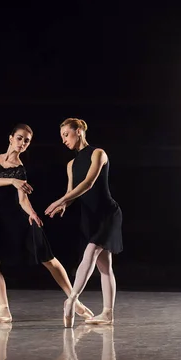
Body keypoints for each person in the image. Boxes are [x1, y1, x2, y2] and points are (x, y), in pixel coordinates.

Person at [0, 124, 93, 323]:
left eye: (26, 141)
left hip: (18, 218)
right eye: (19, 138)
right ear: (10, 138)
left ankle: (74, 300)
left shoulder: (20, 170)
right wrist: (12, 182)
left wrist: (33, 213)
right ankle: (4, 309)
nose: (22, 143)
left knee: (48, 259)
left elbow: (23, 200)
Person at [45, 118, 123, 328]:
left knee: (90, 253)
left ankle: (71, 300)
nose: (63, 140)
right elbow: (72, 193)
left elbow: (88, 183)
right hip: (90, 217)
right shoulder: (71, 164)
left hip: (107, 214)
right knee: (105, 267)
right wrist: (64, 204)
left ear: (78, 131)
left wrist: (60, 200)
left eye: (66, 135)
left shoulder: (98, 153)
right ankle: (107, 313)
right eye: (61, 136)